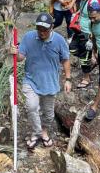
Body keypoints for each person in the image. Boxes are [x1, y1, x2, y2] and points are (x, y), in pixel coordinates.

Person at [11, 13, 71, 149]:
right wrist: (15, 52)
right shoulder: (29, 37)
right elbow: (20, 57)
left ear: (52, 28)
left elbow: (66, 60)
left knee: (48, 114)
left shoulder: (59, 41)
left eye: (45, 29)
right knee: (32, 107)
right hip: (31, 80)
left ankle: (44, 131)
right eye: (39, 29)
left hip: (50, 83)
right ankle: (37, 133)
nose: (42, 32)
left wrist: (68, 79)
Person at [70, 0, 100, 88]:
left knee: (84, 56)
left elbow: (98, 18)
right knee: (72, 48)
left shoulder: (93, 2)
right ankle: (92, 59)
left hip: (88, 33)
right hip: (80, 30)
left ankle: (86, 78)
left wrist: (92, 36)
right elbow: (83, 12)